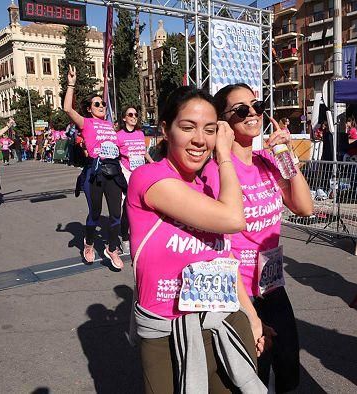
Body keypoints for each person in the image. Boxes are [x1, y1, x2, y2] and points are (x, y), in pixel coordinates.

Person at [128, 86, 270, 393]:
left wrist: (252, 315)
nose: (199, 140)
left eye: (209, 130)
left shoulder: (207, 188)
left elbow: (225, 260)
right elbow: (234, 219)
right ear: (165, 130)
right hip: (165, 331)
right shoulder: (149, 178)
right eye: (187, 127)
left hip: (223, 320)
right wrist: (225, 156)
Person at [201, 83, 314, 392]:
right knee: (255, 376)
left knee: (289, 365)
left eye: (257, 105)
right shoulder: (218, 170)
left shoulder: (267, 161)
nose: (252, 113)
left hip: (272, 285)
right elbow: (218, 247)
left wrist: (286, 155)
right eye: (241, 109)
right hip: (241, 292)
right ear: (224, 121)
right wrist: (249, 314)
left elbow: (304, 207)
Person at [63, 65, 126, 269]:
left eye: (103, 103)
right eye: (97, 103)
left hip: (113, 172)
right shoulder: (86, 122)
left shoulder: (110, 125)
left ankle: (112, 248)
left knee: (116, 214)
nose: (101, 106)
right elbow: (67, 109)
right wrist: (71, 84)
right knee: (96, 213)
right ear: (89, 109)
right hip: (95, 173)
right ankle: (89, 243)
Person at [116, 106, 154, 255]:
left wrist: (152, 162)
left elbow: (143, 151)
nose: (133, 117)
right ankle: (125, 238)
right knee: (126, 207)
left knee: (143, 205)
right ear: (124, 118)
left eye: (136, 114)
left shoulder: (140, 133)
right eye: (130, 114)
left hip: (140, 173)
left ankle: (140, 236)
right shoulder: (118, 135)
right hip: (125, 173)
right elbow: (114, 154)